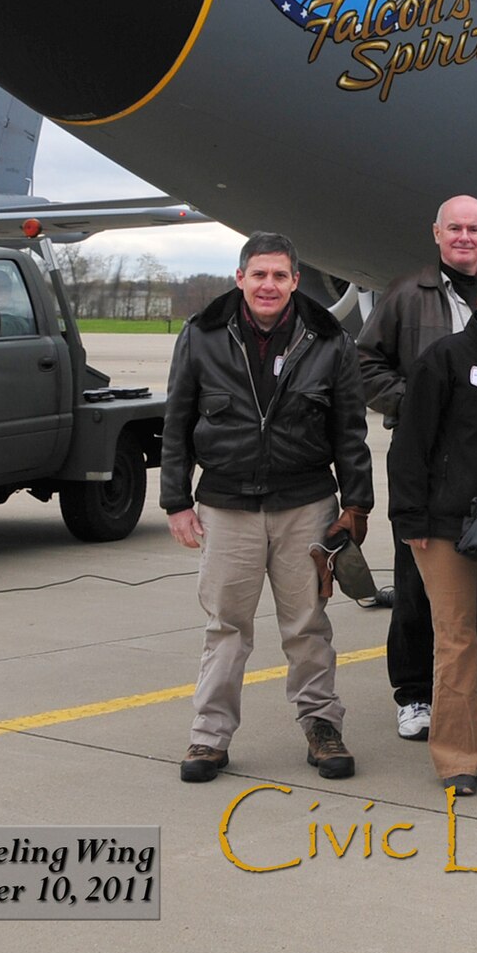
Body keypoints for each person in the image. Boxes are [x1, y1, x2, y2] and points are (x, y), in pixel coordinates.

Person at [162, 232, 372, 783]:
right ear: (240, 278)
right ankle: (208, 738)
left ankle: (322, 727)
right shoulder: (201, 335)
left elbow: (350, 429)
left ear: (296, 281)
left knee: (307, 625)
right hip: (225, 504)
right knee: (226, 627)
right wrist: (176, 501)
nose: (269, 285)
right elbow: (177, 422)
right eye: (259, 274)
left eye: (280, 275)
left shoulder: (328, 339)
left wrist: (357, 505)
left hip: (305, 502)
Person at [358, 195, 477, 741]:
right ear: (436, 233)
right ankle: (414, 693)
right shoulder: (409, 294)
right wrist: (415, 402)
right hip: (429, 469)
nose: (464, 236)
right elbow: (364, 362)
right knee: (417, 591)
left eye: (473, 229)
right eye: (453, 227)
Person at [387, 252, 477, 797]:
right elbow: (410, 443)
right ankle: (456, 756)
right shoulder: (445, 358)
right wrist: (411, 516)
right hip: (446, 524)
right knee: (456, 639)